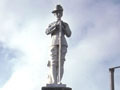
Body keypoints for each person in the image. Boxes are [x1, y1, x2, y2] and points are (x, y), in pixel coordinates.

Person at [45, 5, 71, 84]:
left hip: (62, 43)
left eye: (60, 12)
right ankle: (54, 82)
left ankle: (59, 81)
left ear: (62, 13)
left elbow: (69, 34)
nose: (58, 14)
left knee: (61, 62)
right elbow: (46, 31)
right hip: (53, 43)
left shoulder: (65, 24)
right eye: (56, 13)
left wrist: (63, 27)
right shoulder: (52, 24)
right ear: (54, 14)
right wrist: (54, 26)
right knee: (53, 62)